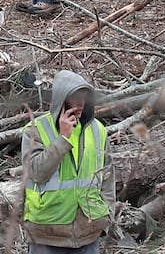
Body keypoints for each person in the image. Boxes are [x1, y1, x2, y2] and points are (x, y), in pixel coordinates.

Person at [21, 69, 115, 254]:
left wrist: (107, 216)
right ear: (61, 100)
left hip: (89, 233)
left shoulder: (98, 130)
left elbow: (108, 176)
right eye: (75, 98)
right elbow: (36, 174)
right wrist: (63, 139)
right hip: (47, 233)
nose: (80, 104)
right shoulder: (36, 130)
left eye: (84, 98)